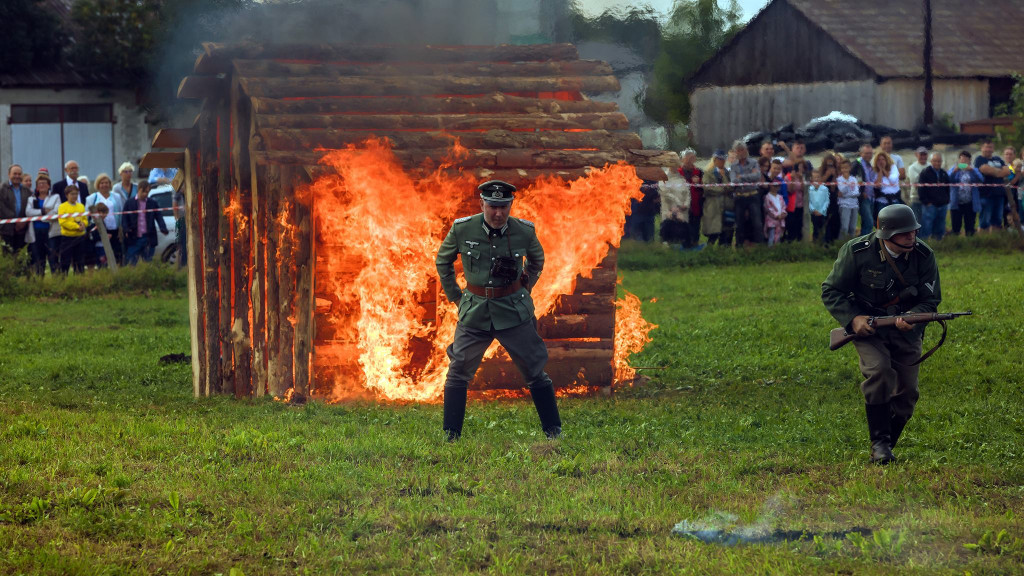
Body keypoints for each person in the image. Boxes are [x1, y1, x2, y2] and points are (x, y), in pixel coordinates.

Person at [435, 180, 562, 441]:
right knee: (458, 369)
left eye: (504, 207)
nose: (498, 213)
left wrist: (525, 286)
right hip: (474, 313)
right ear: (482, 204)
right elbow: (443, 261)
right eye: (492, 206)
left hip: (514, 312)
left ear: (510, 206)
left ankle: (553, 431)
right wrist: (457, 298)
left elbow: (537, 260)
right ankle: (451, 435)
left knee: (534, 369)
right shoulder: (462, 229)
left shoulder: (523, 232)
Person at [822, 204, 941, 464]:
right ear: (886, 234)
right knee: (879, 372)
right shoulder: (857, 252)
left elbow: (930, 301)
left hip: (906, 333)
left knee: (908, 394)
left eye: (913, 231)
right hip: (869, 329)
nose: (912, 236)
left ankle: (886, 441)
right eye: (905, 232)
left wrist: (913, 319)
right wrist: (853, 319)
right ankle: (880, 446)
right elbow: (831, 291)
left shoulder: (923, 255)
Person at [122, 181, 169, 265]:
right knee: (130, 262)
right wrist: (126, 230)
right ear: (139, 190)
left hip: (148, 237)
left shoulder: (152, 203)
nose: (145, 194)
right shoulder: (129, 203)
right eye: (143, 191)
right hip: (133, 238)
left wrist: (163, 228)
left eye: (147, 192)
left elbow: (159, 217)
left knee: (148, 262)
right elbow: (124, 218)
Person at [729, 140, 764, 246]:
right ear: (735, 152)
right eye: (738, 150)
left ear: (746, 150)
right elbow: (734, 180)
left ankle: (760, 246)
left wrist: (742, 177)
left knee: (757, 222)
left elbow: (757, 176)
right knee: (739, 224)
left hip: (753, 195)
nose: (741, 152)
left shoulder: (754, 162)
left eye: (742, 150)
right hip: (740, 197)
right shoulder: (733, 165)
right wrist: (749, 177)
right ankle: (739, 247)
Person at [85, 173, 124, 264]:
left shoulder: (116, 196)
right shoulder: (92, 198)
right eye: (102, 183)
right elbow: (87, 215)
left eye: (106, 183)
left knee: (116, 256)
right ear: (98, 185)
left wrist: (120, 229)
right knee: (102, 257)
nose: (104, 185)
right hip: (100, 230)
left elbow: (121, 212)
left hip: (114, 229)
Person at [974, 140, 1009, 233]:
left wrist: (993, 172)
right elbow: (984, 169)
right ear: (982, 148)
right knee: (985, 220)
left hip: (999, 194)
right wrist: (999, 172)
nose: (988, 149)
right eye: (986, 147)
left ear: (993, 149)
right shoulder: (979, 159)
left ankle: (994, 241)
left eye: (990, 147)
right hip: (986, 194)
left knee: (997, 220)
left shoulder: (998, 159)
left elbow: (1007, 171)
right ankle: (983, 240)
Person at [24, 169, 54, 275]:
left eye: (44, 183)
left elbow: (55, 212)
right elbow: (28, 212)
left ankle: (57, 281)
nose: (42, 185)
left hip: (50, 232)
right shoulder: (31, 199)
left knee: (52, 258)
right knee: (38, 259)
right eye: (39, 184)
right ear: (36, 186)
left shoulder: (55, 197)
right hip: (35, 232)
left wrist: (38, 215)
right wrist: (43, 211)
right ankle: (39, 282)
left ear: (49, 185)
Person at [916, 153, 951, 241]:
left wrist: (946, 200)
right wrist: (926, 202)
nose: (937, 163)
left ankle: (938, 241)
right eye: (935, 161)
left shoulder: (943, 173)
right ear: (931, 161)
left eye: (939, 161)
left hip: (942, 204)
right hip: (930, 205)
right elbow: (921, 188)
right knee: (927, 224)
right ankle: (925, 242)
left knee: (940, 224)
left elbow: (948, 187)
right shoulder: (925, 172)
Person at [701, 150, 733, 246]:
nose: (721, 161)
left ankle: (723, 250)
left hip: (727, 205)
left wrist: (727, 187)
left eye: (723, 159)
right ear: (714, 160)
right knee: (714, 231)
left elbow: (733, 185)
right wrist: (722, 189)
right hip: (714, 205)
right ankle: (709, 251)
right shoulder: (708, 173)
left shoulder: (728, 173)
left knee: (727, 230)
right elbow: (707, 187)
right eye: (719, 159)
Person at [948, 150, 983, 237]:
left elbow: (981, 179)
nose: (963, 161)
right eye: (962, 160)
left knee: (970, 224)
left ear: (969, 160)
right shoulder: (953, 169)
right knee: (956, 225)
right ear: (959, 160)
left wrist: (972, 170)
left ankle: (970, 241)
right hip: (956, 202)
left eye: (966, 160)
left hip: (970, 202)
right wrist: (954, 171)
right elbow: (947, 180)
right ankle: (955, 242)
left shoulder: (973, 169)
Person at [658, 160, 690, 248]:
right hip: (669, 208)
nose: (674, 167)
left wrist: (686, 204)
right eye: (672, 165)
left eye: (676, 165)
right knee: (667, 228)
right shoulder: (663, 177)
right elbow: (665, 193)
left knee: (683, 229)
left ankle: (683, 247)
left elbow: (687, 194)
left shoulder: (682, 179)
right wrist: (677, 204)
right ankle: (667, 247)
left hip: (682, 209)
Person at [58, 184, 89, 274]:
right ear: (67, 195)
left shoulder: (81, 206)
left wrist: (83, 225)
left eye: (76, 194)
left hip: (80, 237)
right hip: (67, 237)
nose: (74, 196)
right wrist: (76, 227)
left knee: (79, 260)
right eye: (72, 194)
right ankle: (63, 278)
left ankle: (79, 278)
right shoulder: (62, 207)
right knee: (65, 261)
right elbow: (63, 222)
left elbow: (85, 219)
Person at [0, 165, 30, 255]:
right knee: (8, 257)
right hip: (6, 229)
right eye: (14, 174)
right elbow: (1, 207)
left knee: (20, 256)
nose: (17, 176)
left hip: (22, 229)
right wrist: (15, 220)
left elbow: (29, 207)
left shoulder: (27, 190)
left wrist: (23, 222)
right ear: (9, 174)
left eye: (19, 174)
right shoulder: (2, 189)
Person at [678, 148, 703, 248]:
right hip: (682, 204)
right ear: (682, 159)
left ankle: (695, 243)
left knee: (696, 226)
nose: (689, 160)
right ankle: (684, 245)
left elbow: (705, 188)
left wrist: (699, 183)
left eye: (692, 158)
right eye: (687, 158)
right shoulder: (678, 172)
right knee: (683, 226)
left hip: (696, 205)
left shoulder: (699, 172)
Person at [849, 144, 877, 234]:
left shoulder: (870, 165)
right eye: (866, 153)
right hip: (863, 198)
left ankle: (865, 242)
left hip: (871, 197)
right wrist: (861, 193)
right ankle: (864, 242)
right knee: (868, 222)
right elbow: (851, 181)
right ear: (861, 153)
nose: (869, 155)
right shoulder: (856, 164)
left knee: (867, 223)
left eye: (870, 153)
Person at [819, 153, 841, 243]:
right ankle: (825, 240)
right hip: (823, 197)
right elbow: (819, 183)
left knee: (835, 219)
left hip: (833, 198)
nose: (830, 166)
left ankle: (834, 239)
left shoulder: (836, 171)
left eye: (831, 164)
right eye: (828, 164)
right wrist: (827, 175)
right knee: (826, 220)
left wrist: (834, 175)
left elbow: (833, 187)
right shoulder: (821, 171)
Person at [872, 151, 901, 217]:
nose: (881, 161)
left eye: (883, 159)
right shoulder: (875, 171)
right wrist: (880, 171)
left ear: (886, 160)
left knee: (897, 222)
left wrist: (884, 170)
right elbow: (877, 185)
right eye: (879, 160)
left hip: (894, 200)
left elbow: (893, 181)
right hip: (882, 201)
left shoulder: (893, 168)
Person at [836, 159, 860, 239]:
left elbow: (857, 192)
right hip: (844, 205)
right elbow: (841, 192)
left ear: (850, 168)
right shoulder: (839, 180)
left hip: (854, 205)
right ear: (841, 169)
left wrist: (847, 194)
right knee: (844, 227)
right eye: (843, 168)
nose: (845, 170)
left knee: (852, 227)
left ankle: (851, 244)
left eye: (846, 168)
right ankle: (841, 244)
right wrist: (847, 185)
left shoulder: (853, 179)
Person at [783, 159, 806, 242]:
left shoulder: (801, 177)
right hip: (791, 205)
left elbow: (804, 190)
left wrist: (801, 180)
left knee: (799, 224)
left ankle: (799, 241)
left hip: (800, 204)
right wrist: (792, 179)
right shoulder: (787, 177)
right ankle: (791, 240)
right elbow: (790, 190)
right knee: (791, 224)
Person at [905, 147, 929, 223]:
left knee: (927, 219)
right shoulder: (912, 167)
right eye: (921, 154)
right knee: (916, 219)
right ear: (916, 155)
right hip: (916, 197)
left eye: (924, 154)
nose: (923, 157)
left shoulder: (930, 166)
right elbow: (914, 181)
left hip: (928, 198)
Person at [763, 175, 786, 246]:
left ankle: (777, 249)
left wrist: (783, 213)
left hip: (780, 220)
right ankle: (770, 249)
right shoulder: (767, 197)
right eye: (774, 186)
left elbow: (783, 206)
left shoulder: (780, 197)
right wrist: (776, 216)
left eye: (778, 186)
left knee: (778, 235)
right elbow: (768, 208)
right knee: (771, 235)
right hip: (771, 220)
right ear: (770, 186)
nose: (776, 188)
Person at [808, 169, 829, 241]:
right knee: (815, 227)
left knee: (822, 228)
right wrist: (813, 210)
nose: (816, 179)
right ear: (811, 179)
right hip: (814, 212)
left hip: (822, 212)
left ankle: (822, 242)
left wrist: (822, 210)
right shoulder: (809, 189)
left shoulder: (824, 188)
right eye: (815, 177)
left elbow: (827, 201)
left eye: (818, 177)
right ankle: (815, 241)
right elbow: (808, 201)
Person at [172, 183, 187, 267]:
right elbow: (175, 205)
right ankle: (183, 264)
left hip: (186, 220)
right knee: (182, 244)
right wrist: (177, 218)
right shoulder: (178, 192)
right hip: (182, 220)